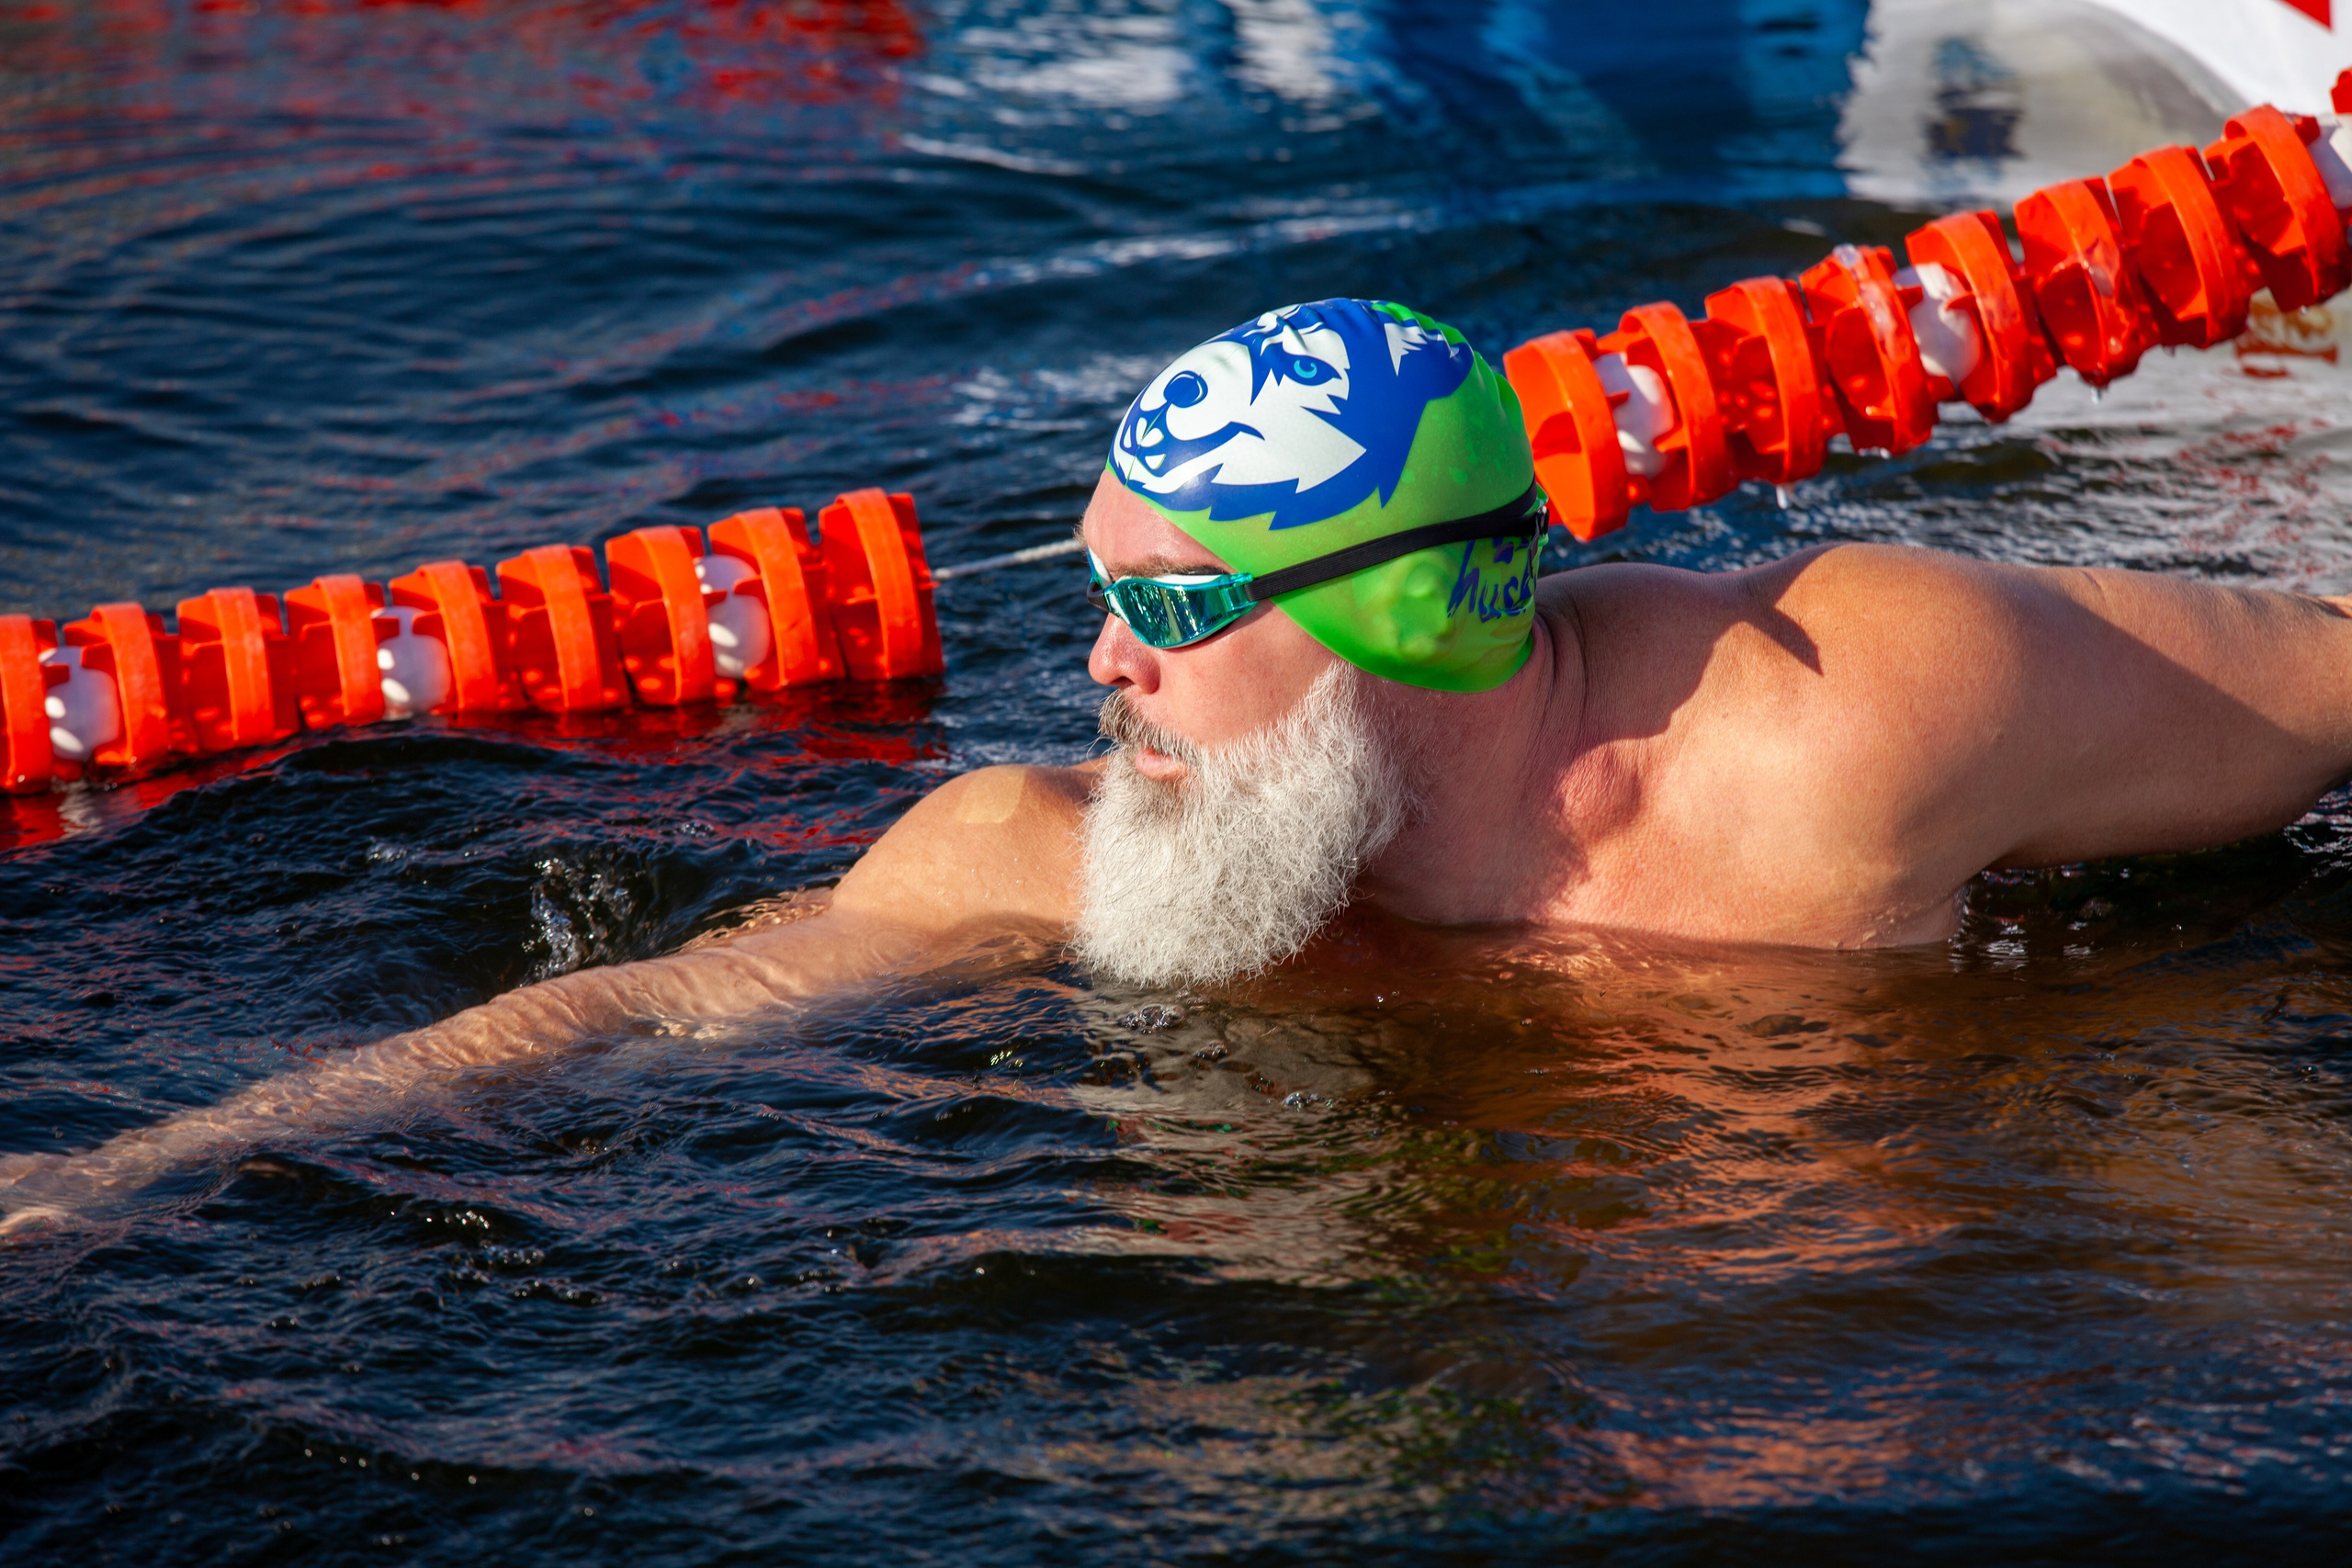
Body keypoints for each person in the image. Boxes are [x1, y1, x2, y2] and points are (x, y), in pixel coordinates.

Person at [8, 295, 2352, 1231]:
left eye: (1168, 604)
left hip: (2047, 1098)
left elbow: (2320, 679)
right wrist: (152, 1162)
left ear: (1403, 616)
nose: (1095, 663)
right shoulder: (1040, 850)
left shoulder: (1852, 712)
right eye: (1093, 579)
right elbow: (627, 1010)